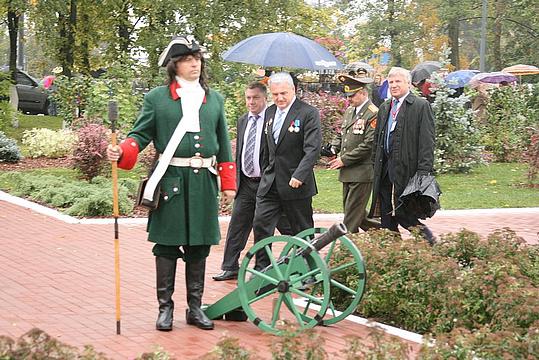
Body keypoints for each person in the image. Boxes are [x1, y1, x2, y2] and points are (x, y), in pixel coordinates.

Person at [106, 35, 236, 331]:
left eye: (198, 59)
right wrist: (122, 150)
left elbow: (224, 144)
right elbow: (140, 135)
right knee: (166, 247)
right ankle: (165, 309)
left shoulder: (214, 99)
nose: (195, 64)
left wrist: (228, 182)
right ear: (175, 65)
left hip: (204, 181)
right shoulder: (157, 99)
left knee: (199, 246)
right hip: (171, 181)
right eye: (188, 60)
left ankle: (194, 308)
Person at [213, 82, 291, 281]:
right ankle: (230, 266)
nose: (251, 102)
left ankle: (270, 267)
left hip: (268, 184)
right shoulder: (243, 121)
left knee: (276, 225)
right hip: (246, 183)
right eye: (248, 97)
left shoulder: (274, 120)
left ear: (265, 98)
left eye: (255, 98)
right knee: (237, 224)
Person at [251, 72, 322, 270]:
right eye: (275, 94)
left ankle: (308, 270)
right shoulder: (270, 112)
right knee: (261, 225)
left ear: (293, 90)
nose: (280, 98)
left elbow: (312, 149)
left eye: (283, 93)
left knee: (301, 230)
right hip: (271, 183)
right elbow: (267, 147)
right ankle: (262, 271)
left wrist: (300, 175)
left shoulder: (308, 113)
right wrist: (264, 172)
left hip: (295, 184)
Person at [368, 67, 436, 245]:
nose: (394, 85)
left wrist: (424, 171)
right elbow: (378, 139)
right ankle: (394, 252)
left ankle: (430, 242)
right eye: (391, 82)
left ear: (408, 83)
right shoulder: (385, 107)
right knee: (385, 213)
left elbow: (427, 142)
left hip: (408, 169)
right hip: (384, 169)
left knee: (404, 214)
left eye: (398, 81)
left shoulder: (420, 106)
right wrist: (375, 163)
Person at [328, 74, 380, 233]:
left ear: (363, 93)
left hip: (362, 173)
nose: (349, 99)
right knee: (358, 216)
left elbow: (369, 144)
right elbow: (341, 134)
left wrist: (344, 160)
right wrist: (333, 148)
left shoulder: (373, 112)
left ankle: (346, 252)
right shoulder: (350, 111)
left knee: (350, 218)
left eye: (352, 95)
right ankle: (389, 235)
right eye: (347, 95)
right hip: (348, 173)